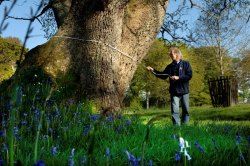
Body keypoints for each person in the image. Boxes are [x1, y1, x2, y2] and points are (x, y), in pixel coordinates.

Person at [146, 47, 192, 125]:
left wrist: (179, 77)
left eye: (171, 54)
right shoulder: (170, 66)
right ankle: (176, 129)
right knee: (175, 111)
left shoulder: (186, 64)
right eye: (170, 54)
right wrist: (152, 70)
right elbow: (163, 75)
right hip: (174, 92)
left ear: (177, 54)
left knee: (186, 110)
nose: (170, 55)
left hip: (184, 91)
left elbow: (189, 76)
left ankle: (185, 127)